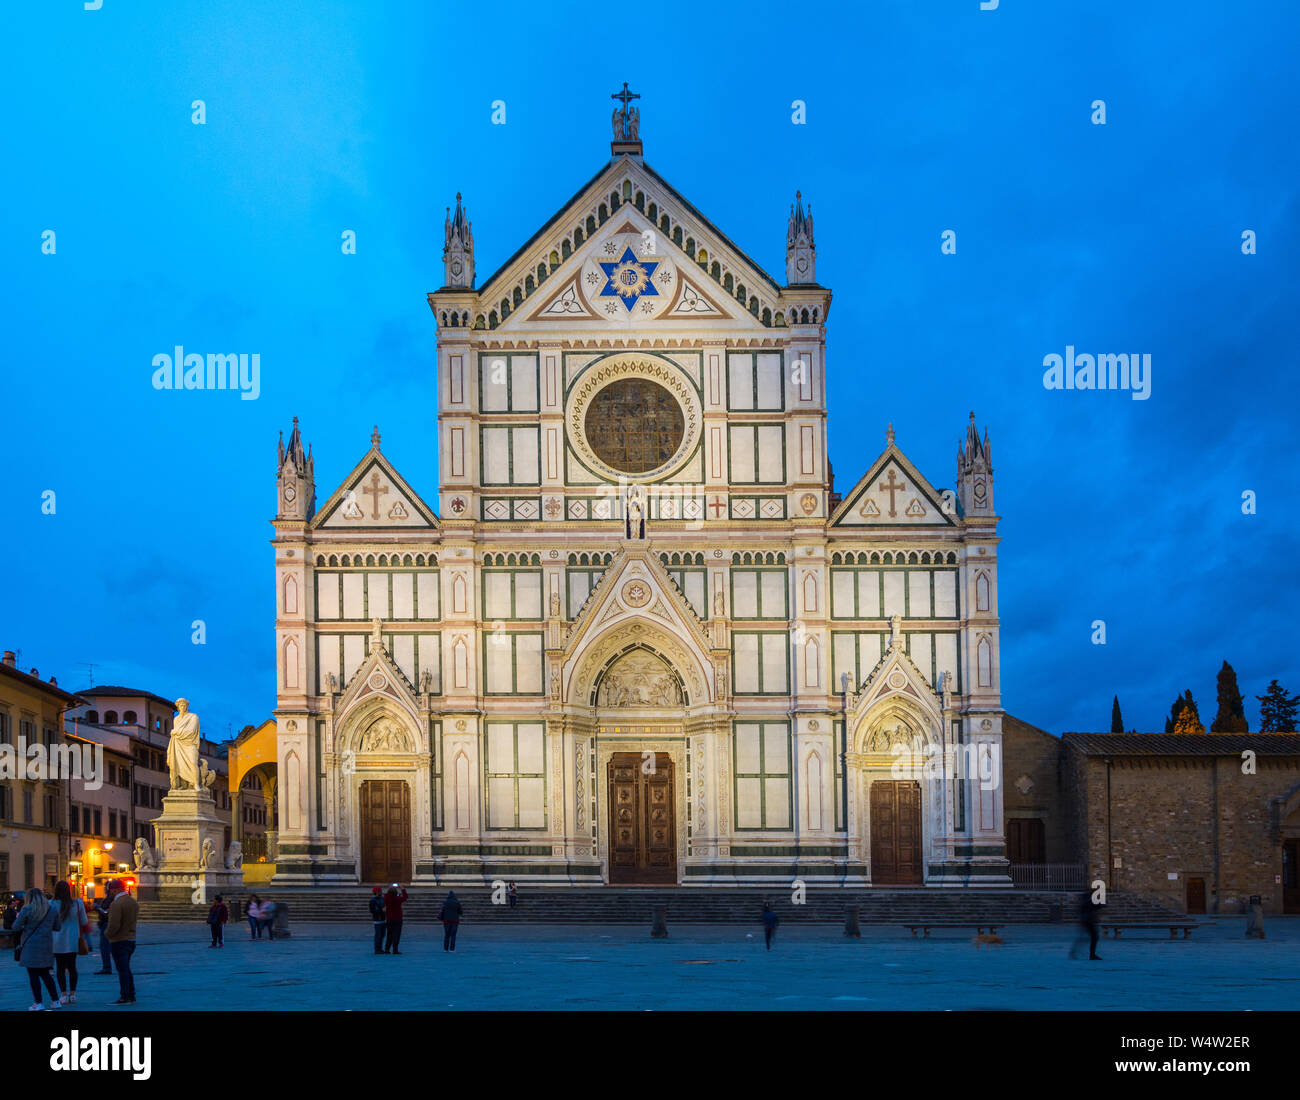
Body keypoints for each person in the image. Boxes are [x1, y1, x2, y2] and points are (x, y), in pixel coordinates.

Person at [13, 887, 62, 1011]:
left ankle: (38, 1003)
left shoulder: (27, 909)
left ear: (29, 898)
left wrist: (23, 922)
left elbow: (16, 927)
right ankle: (56, 1001)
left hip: (30, 946)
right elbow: (57, 927)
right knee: (46, 974)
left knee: (33, 975)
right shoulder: (52, 909)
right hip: (46, 945)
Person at [51, 881, 88, 1005]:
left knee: (60, 968)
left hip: (57, 940)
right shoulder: (77, 903)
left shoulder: (51, 904)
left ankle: (63, 994)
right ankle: (73, 994)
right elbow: (84, 921)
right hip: (73, 939)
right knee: (72, 967)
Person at [105, 879, 139, 1004]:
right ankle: (131, 994)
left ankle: (125, 995)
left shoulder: (116, 904)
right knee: (126, 969)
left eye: (111, 891)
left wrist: (107, 935)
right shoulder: (133, 902)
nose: (111, 893)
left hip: (119, 940)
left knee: (122, 969)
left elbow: (114, 925)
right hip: (131, 939)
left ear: (116, 889)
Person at [1072, 889, 1103, 961]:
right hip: (1088, 921)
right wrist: (1100, 905)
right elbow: (1094, 906)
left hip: (1086, 921)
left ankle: (1075, 952)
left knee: (1088, 937)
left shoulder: (1085, 899)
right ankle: (1092, 955)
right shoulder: (1088, 899)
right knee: (1094, 937)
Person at [92, 889, 113, 974]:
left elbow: (106, 912)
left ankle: (107, 967)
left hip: (106, 924)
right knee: (106, 946)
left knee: (105, 946)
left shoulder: (111, 899)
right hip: (105, 924)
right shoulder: (109, 898)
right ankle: (107, 966)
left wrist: (97, 907)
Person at [383, 884, 409, 954]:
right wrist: (402, 889)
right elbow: (405, 897)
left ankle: (387, 949)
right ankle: (395, 949)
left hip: (389, 918)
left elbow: (385, 895)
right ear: (396, 892)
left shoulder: (386, 898)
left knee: (389, 934)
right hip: (398, 919)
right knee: (396, 935)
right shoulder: (398, 899)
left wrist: (389, 888)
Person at [369, 887, 386, 954]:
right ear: (376, 892)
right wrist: (381, 910)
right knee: (378, 935)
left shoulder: (382, 898)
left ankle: (380, 948)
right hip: (377, 920)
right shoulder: (372, 900)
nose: (381, 892)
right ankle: (377, 949)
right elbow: (372, 910)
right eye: (380, 891)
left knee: (382, 935)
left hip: (383, 919)